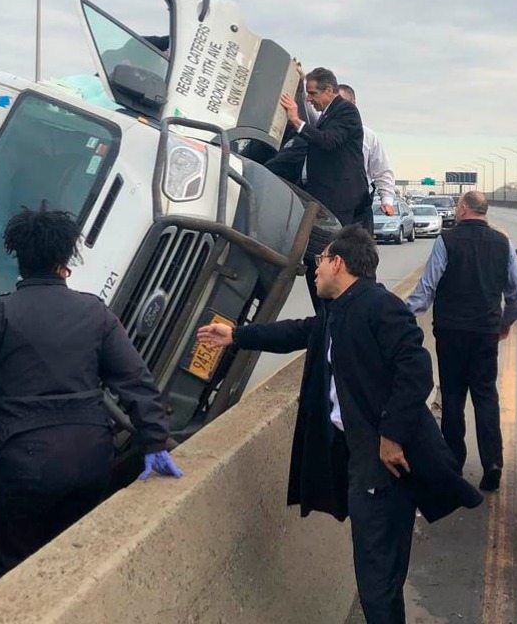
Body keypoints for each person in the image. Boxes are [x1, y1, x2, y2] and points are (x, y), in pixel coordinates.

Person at [196, 225, 479, 624]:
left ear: (339, 263)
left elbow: (417, 370)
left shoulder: (380, 306)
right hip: (358, 458)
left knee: (376, 579)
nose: (315, 270)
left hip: (381, 465)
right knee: (380, 573)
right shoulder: (338, 311)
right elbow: (296, 331)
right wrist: (237, 335)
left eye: (321, 261)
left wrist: (391, 436)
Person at [0, 205, 181, 587]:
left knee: (9, 579)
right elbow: (135, 380)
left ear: (20, 260)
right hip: (91, 458)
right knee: (74, 569)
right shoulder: (95, 313)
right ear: (65, 261)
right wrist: (154, 442)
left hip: (23, 460)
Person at [405, 191, 517, 491]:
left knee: (453, 396)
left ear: (463, 209)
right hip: (485, 333)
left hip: (450, 332)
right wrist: (504, 324)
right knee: (486, 395)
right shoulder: (504, 243)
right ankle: (492, 462)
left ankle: (453, 463)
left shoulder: (446, 241)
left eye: (458, 206)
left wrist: (401, 316)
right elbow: (516, 294)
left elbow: (426, 289)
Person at [266, 66, 367, 312]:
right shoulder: (327, 113)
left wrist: (296, 121)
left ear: (329, 90)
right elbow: (311, 121)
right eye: (308, 94)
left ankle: (335, 312)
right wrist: (300, 85)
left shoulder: (346, 111)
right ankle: (324, 313)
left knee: (330, 258)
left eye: (313, 94)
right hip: (321, 198)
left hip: (338, 200)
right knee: (317, 260)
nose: (310, 100)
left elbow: (328, 141)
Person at [335, 83, 398, 231]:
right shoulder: (320, 131)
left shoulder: (369, 137)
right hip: (327, 205)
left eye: (341, 104)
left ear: (353, 105)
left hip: (358, 209)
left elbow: (382, 171)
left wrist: (386, 200)